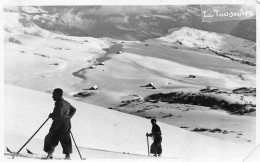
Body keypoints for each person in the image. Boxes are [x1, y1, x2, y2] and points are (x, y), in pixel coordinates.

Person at [43, 88, 76, 160]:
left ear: (58, 95)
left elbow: (59, 116)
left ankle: (49, 154)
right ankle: (68, 156)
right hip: (66, 124)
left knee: (51, 138)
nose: (52, 96)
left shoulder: (59, 103)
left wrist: (52, 115)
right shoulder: (66, 103)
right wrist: (69, 117)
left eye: (54, 95)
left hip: (59, 125)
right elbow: (74, 109)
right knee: (65, 139)